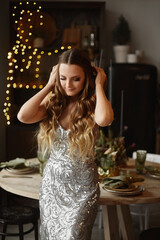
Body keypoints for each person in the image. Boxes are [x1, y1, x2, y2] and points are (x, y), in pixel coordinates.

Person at [17, 48, 113, 240]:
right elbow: (23, 116)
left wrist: (99, 85)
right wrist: (50, 84)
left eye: (75, 79)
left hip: (83, 189)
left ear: (87, 77)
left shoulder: (93, 103)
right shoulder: (53, 102)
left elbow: (104, 120)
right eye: (63, 78)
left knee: (74, 236)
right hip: (53, 186)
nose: (68, 85)